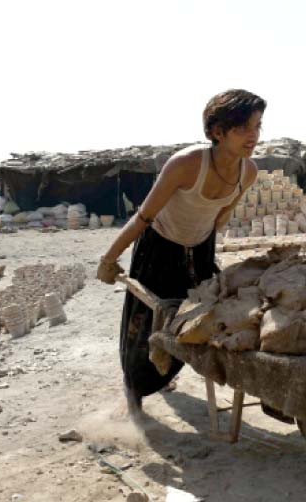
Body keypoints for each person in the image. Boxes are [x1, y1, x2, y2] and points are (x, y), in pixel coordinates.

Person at [97, 89, 266, 411]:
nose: (253, 135)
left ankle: (163, 373)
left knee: (192, 321)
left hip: (200, 248)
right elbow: (143, 216)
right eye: (244, 128)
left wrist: (204, 254)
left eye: (258, 126)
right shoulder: (186, 164)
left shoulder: (249, 171)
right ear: (218, 131)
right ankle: (134, 390)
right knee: (145, 322)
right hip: (159, 248)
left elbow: (220, 216)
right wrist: (109, 258)